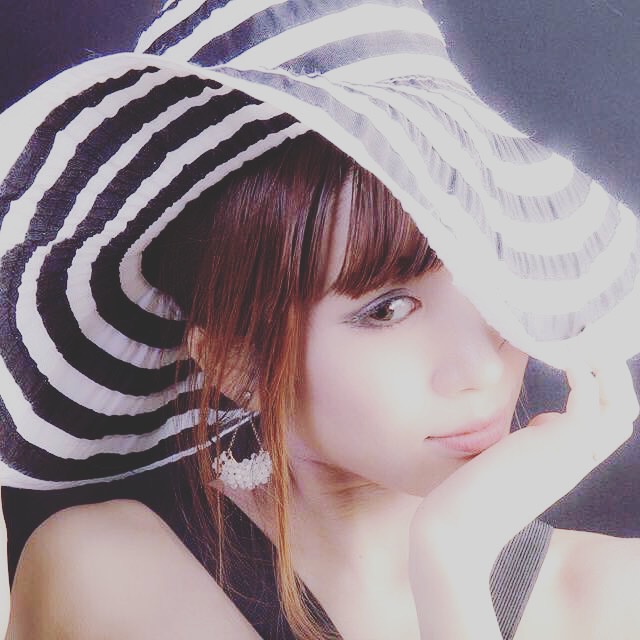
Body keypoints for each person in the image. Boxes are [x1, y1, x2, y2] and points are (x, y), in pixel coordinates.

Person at [1, 1, 640, 638]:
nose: (481, 368)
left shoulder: (616, 595)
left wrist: (455, 553)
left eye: (488, 282)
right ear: (235, 362)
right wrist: (451, 567)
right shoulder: (113, 576)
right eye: (387, 309)